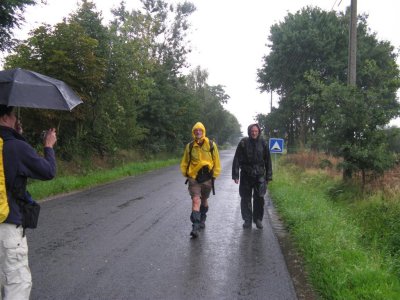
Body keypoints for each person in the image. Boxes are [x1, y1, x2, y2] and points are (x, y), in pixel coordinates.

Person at [0, 105, 57, 300]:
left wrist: (16, 135)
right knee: (17, 284)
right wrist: (48, 146)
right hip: (7, 225)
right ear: (6, 117)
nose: (16, 118)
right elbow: (48, 171)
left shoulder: (12, 143)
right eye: (14, 115)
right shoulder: (16, 146)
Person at [180, 122, 221, 238]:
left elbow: (216, 161)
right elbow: (185, 161)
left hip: (207, 178)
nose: (198, 132)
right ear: (193, 132)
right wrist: (186, 173)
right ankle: (195, 227)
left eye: (200, 130)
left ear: (203, 132)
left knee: (204, 200)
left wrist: (215, 175)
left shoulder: (211, 145)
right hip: (194, 178)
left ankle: (203, 218)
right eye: (196, 130)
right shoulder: (190, 146)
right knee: (196, 200)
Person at [232, 123, 272, 229]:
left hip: (259, 175)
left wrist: (268, 176)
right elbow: (237, 159)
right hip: (246, 174)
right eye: (252, 131)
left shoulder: (263, 143)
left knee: (259, 198)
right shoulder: (243, 143)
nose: (254, 133)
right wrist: (235, 175)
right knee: (245, 198)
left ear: (258, 132)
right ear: (249, 132)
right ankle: (247, 220)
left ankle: (258, 219)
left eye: (256, 131)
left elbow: (268, 160)